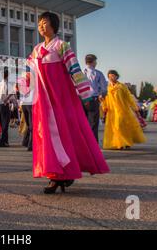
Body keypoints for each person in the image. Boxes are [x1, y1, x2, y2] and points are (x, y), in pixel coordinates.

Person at [23, 12, 109, 194]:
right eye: (39, 23)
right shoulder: (37, 49)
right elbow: (29, 72)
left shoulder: (62, 46)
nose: (40, 26)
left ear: (53, 25)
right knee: (46, 136)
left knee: (65, 134)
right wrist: (23, 87)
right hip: (44, 101)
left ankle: (66, 173)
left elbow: (75, 70)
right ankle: (54, 175)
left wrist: (85, 94)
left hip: (61, 98)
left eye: (44, 22)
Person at [102, 70, 146, 150]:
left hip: (122, 110)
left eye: (112, 76)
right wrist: (103, 104)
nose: (111, 78)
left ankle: (125, 142)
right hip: (112, 111)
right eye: (109, 76)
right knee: (115, 128)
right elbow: (106, 99)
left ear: (116, 76)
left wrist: (135, 107)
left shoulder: (122, 86)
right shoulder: (107, 87)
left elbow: (129, 97)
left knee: (121, 126)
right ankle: (121, 143)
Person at [82, 54, 107, 143]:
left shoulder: (81, 73)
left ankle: (85, 143)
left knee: (83, 123)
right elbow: (104, 88)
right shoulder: (98, 73)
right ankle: (93, 143)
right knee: (93, 123)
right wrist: (101, 95)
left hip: (82, 100)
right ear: (93, 62)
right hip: (93, 99)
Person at [0, 69, 14, 148]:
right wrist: (16, 104)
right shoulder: (9, 85)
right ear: (8, 75)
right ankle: (2, 142)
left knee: (2, 124)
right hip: (4, 106)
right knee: (5, 125)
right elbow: (12, 97)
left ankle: (6, 141)